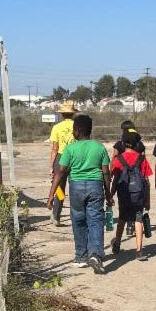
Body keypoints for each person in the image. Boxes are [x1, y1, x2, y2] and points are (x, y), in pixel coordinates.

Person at [48, 114, 113, 274]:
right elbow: (106, 173)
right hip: (95, 186)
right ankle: (96, 255)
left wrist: (51, 196)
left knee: (78, 220)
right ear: (90, 130)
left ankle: (81, 257)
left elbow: (60, 172)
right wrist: (109, 194)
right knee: (96, 221)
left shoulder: (70, 149)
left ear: (76, 131)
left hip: (76, 187)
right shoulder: (99, 147)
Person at [110, 129, 153, 261]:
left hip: (124, 193)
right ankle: (139, 250)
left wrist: (110, 194)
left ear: (123, 143)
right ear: (136, 144)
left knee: (122, 218)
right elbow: (146, 181)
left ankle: (117, 243)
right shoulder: (142, 159)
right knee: (138, 218)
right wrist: (147, 200)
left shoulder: (118, 159)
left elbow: (115, 177)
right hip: (138, 194)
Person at [48, 101, 77, 226]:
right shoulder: (78, 126)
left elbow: (54, 148)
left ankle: (56, 215)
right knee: (75, 188)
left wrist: (52, 166)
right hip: (75, 158)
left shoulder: (56, 127)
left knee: (59, 188)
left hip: (60, 158)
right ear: (73, 114)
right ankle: (76, 216)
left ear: (62, 114)